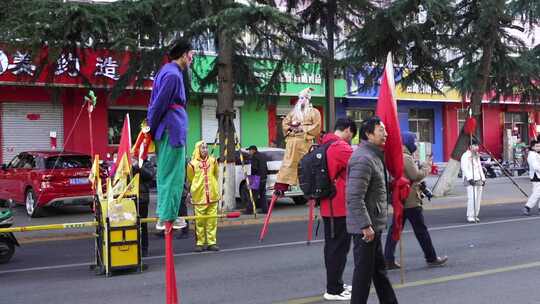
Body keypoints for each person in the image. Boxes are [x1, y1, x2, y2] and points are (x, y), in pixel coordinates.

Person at [346, 116, 398, 304]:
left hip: (373, 225)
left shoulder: (374, 156)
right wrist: (365, 226)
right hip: (366, 229)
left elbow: (376, 188)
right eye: (381, 130)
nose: (386, 133)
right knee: (363, 276)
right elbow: (354, 197)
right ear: (368, 134)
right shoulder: (363, 158)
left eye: (385, 129)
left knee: (378, 271)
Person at [147, 39, 194, 230]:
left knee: (168, 174)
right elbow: (158, 105)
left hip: (168, 128)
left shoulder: (166, 71)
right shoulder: (173, 75)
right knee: (173, 175)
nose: (192, 58)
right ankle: (168, 216)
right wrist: (151, 127)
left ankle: (166, 215)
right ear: (183, 55)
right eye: (191, 54)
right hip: (171, 130)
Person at [384, 132, 448, 270]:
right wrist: (427, 166)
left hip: (401, 199)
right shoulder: (406, 157)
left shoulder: (397, 155)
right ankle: (431, 258)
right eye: (414, 142)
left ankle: (388, 259)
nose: (416, 145)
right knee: (421, 230)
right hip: (411, 199)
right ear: (407, 142)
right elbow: (416, 175)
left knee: (395, 230)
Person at [320, 118, 357, 301]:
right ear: (348, 130)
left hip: (329, 206)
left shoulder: (325, 144)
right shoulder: (339, 147)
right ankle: (333, 289)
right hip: (339, 206)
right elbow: (359, 164)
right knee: (338, 249)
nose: (351, 139)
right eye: (352, 134)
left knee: (333, 248)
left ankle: (336, 283)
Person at [274, 88, 321, 194]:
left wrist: (303, 129)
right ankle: (281, 187)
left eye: (304, 98)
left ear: (308, 99)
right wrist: (292, 129)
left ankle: (310, 188)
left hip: (305, 142)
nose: (301, 100)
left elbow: (317, 126)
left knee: (306, 165)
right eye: (300, 98)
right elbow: (285, 123)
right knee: (288, 164)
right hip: (292, 142)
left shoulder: (315, 112)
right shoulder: (293, 112)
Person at [187, 141, 220, 252]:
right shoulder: (192, 164)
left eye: (206, 147)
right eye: (202, 148)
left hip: (213, 195)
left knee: (212, 220)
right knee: (199, 221)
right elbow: (191, 178)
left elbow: (216, 174)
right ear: (198, 149)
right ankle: (200, 243)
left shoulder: (213, 161)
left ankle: (212, 242)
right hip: (199, 196)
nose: (205, 150)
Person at [132, 158, 155, 257]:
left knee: (143, 224)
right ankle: (133, 247)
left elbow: (150, 175)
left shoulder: (146, 163)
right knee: (131, 224)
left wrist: (138, 166)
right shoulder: (126, 160)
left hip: (142, 198)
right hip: (129, 198)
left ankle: (144, 248)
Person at [460, 140, 486, 223]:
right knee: (472, 198)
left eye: (477, 145)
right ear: (470, 146)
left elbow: (479, 167)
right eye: (475, 145)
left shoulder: (476, 155)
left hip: (478, 178)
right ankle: (470, 215)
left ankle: (475, 215)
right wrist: (470, 178)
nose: (477, 147)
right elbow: (464, 168)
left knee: (478, 198)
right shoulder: (465, 155)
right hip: (470, 179)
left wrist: (483, 178)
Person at [245, 145, 269, 214]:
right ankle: (265, 210)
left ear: (253, 150)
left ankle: (249, 210)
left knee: (253, 195)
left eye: (249, 150)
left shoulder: (254, 157)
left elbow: (254, 168)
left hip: (256, 178)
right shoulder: (263, 156)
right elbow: (266, 167)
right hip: (264, 177)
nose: (249, 152)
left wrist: (251, 179)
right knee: (263, 195)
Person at [523, 140, 540, 215]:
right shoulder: (532, 155)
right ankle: (527, 207)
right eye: (537, 146)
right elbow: (535, 166)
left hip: (537, 175)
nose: (539, 147)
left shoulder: (536, 154)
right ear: (533, 147)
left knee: (537, 192)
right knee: (537, 193)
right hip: (536, 176)